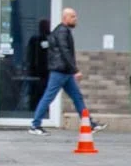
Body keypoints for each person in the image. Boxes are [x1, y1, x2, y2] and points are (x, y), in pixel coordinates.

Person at [29, 8, 106, 136]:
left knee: (77, 97)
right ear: (65, 18)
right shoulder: (62, 32)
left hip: (65, 71)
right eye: (73, 17)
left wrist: (71, 70)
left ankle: (89, 123)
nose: (75, 19)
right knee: (49, 97)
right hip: (60, 71)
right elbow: (65, 52)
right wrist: (75, 70)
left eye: (75, 16)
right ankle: (35, 125)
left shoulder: (62, 31)